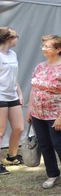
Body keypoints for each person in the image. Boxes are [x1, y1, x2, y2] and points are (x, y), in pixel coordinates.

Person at [26, 35, 61, 190]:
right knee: (44, 145)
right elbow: (34, 89)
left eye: (47, 46)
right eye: (43, 45)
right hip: (37, 113)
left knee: (60, 145)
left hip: (56, 114)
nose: (43, 48)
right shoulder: (40, 67)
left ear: (58, 49)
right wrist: (30, 110)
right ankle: (52, 174)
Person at [0, 27, 24, 174]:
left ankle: (12, 156)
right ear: (9, 39)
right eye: (16, 36)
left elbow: (14, 77)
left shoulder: (13, 54)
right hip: (0, 96)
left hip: (12, 95)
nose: (17, 39)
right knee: (1, 131)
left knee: (19, 128)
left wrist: (19, 93)